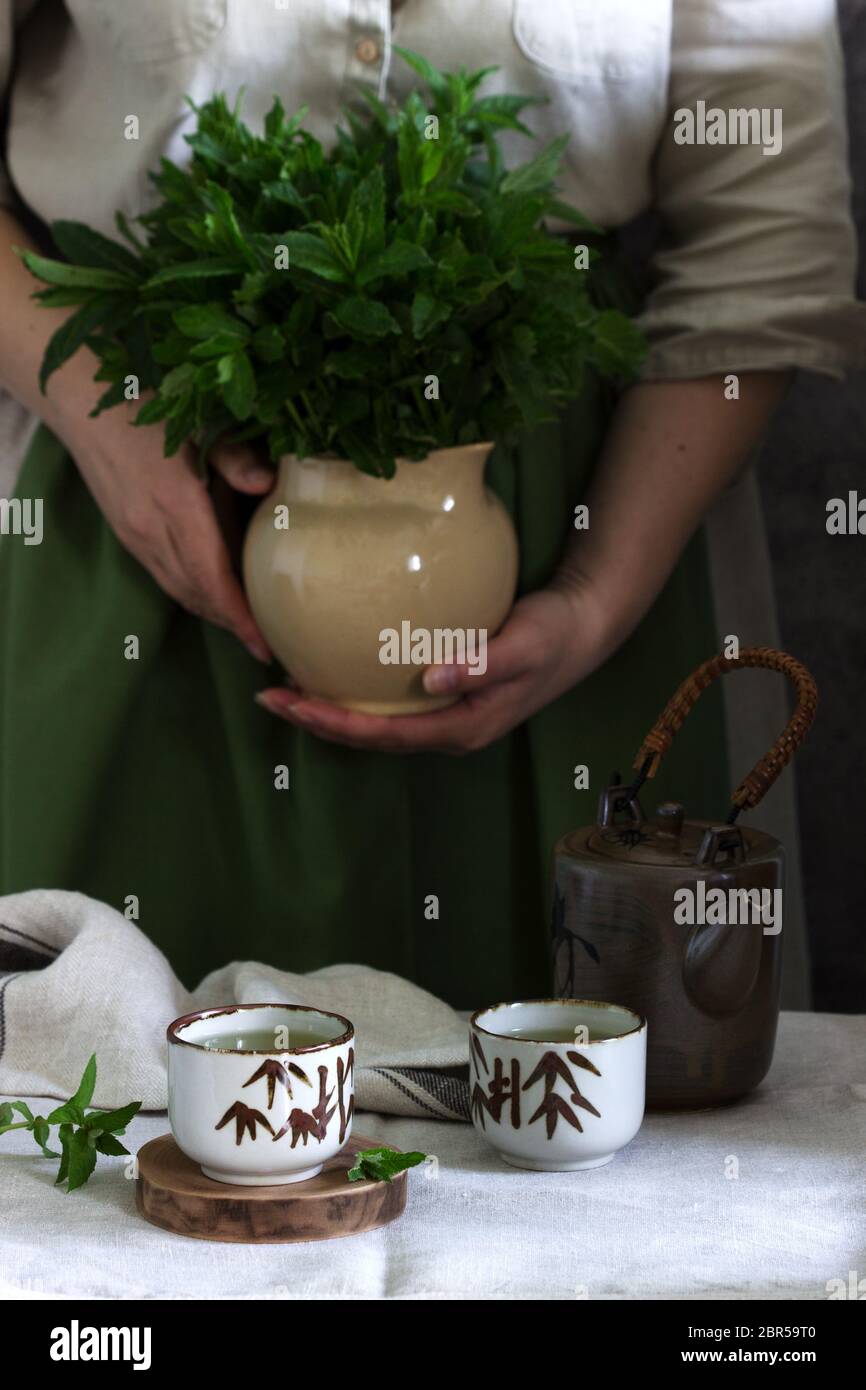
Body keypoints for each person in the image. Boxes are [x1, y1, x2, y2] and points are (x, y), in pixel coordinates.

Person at [0, 1, 862, 1005]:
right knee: (105, 1107)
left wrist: (593, 591)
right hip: (132, 518)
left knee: (573, 1113)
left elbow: (762, 242)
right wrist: (109, 420)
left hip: (583, 543)